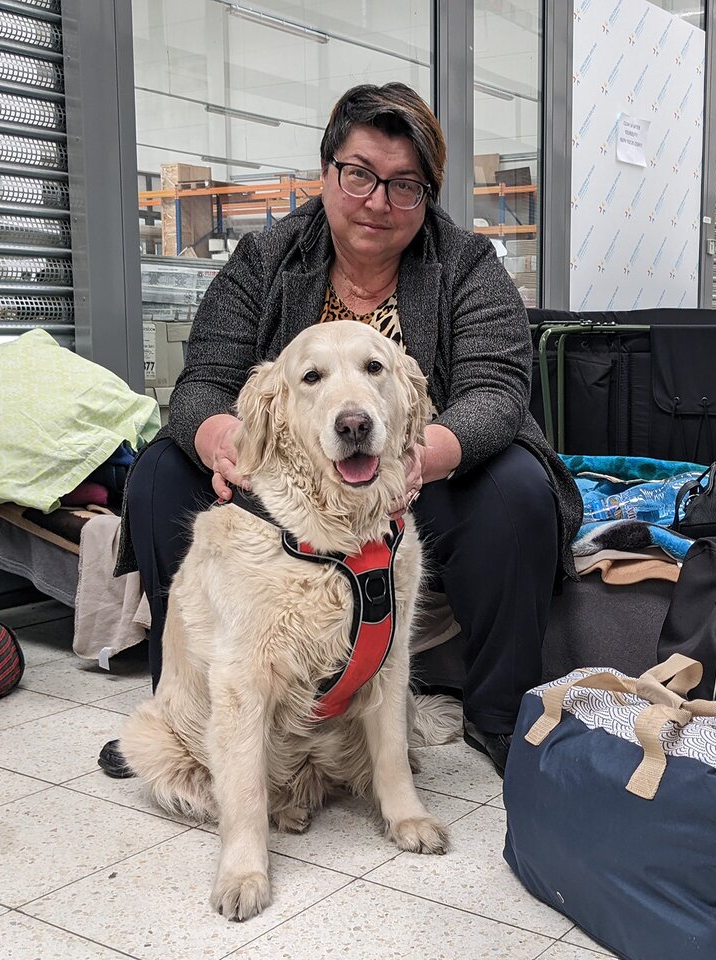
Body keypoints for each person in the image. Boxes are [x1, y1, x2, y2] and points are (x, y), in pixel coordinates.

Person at [104, 82, 581, 779]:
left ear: (428, 195)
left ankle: (500, 712)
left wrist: (424, 456)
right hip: (288, 484)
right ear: (327, 173)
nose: (377, 201)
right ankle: (187, 719)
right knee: (156, 478)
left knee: (516, 490)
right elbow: (203, 380)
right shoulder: (266, 258)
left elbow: (496, 394)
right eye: (358, 174)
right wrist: (223, 441)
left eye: (405, 185)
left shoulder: (469, 265)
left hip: (416, 479)